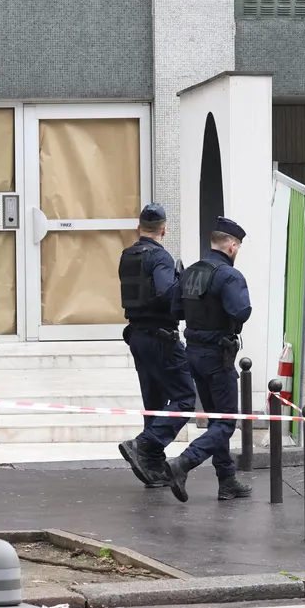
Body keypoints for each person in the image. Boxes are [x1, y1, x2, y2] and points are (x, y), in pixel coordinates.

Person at [166, 217, 253, 502]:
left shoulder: (191, 272)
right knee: (226, 422)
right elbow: (240, 312)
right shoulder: (229, 275)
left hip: (194, 352)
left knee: (216, 418)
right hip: (218, 355)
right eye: (237, 245)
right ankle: (184, 463)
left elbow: (175, 310)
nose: (237, 250)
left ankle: (226, 480)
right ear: (230, 245)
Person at [117, 203, 195, 488]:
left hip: (137, 335)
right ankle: (144, 444)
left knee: (154, 403)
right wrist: (182, 281)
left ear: (139, 228)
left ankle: (151, 464)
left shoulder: (128, 255)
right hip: (161, 337)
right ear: (164, 229)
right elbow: (165, 293)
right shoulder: (161, 257)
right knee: (186, 397)